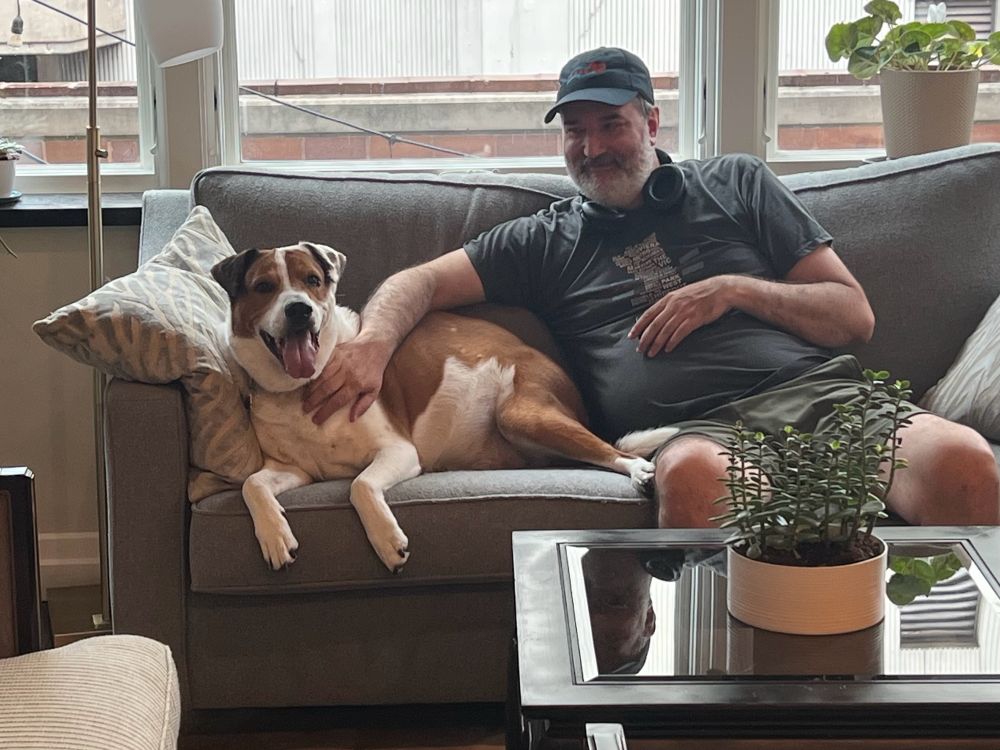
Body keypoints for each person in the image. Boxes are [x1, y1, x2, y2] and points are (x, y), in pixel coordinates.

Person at [302, 46, 1000, 529]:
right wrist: (371, 342)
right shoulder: (544, 239)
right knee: (694, 484)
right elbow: (419, 282)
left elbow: (853, 316)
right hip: (693, 432)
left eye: (611, 124)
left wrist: (733, 290)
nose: (592, 146)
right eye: (575, 131)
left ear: (652, 122)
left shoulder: (736, 181)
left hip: (824, 398)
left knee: (964, 462)